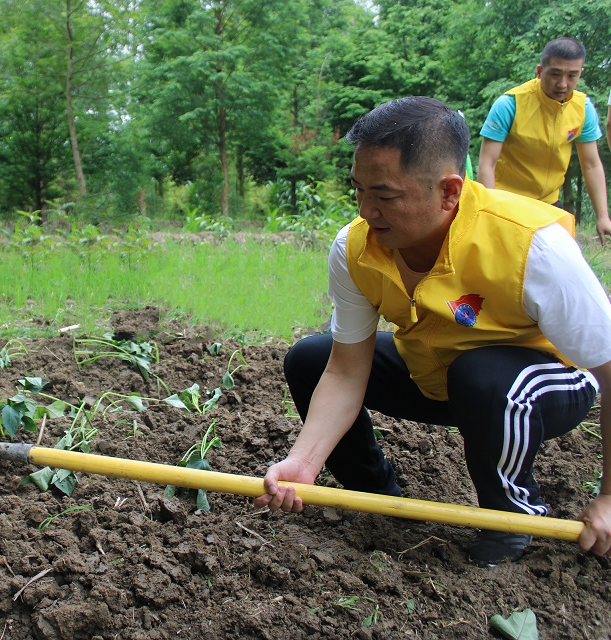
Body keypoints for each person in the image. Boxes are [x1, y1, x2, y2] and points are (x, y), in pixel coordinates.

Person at [254, 97, 611, 567]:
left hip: (548, 381)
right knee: (311, 359)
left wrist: (609, 499)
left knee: (482, 374)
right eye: (358, 190)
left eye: (384, 196)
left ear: (449, 191)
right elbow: (345, 372)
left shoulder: (533, 245)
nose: (365, 210)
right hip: (441, 372)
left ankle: (510, 517)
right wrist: (305, 460)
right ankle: (378, 499)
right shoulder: (356, 247)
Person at [476, 37, 611, 244]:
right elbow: (487, 163)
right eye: (555, 74)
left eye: (572, 76)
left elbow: (591, 164)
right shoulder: (509, 104)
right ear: (540, 71)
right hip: (507, 203)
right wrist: (489, 212)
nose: (562, 84)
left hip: (549, 205)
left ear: (580, 74)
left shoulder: (583, 108)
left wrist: (603, 216)